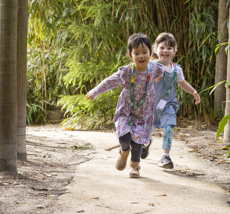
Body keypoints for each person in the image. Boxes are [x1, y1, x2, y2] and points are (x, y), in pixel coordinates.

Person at [85, 34, 163, 178]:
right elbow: (110, 81)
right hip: (125, 110)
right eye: (136, 53)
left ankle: (135, 166)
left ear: (150, 54)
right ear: (130, 55)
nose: (141, 56)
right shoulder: (127, 72)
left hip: (143, 112)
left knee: (138, 141)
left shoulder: (154, 69)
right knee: (125, 137)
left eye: (144, 52)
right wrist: (95, 91)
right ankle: (124, 151)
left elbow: (162, 74)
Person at [141, 32, 200, 169]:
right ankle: (145, 144)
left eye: (169, 48)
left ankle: (165, 156)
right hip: (150, 106)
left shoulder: (176, 70)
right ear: (155, 50)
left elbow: (182, 83)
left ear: (174, 51)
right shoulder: (151, 66)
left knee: (168, 128)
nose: (165, 51)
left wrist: (193, 91)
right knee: (147, 133)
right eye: (162, 47)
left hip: (168, 105)